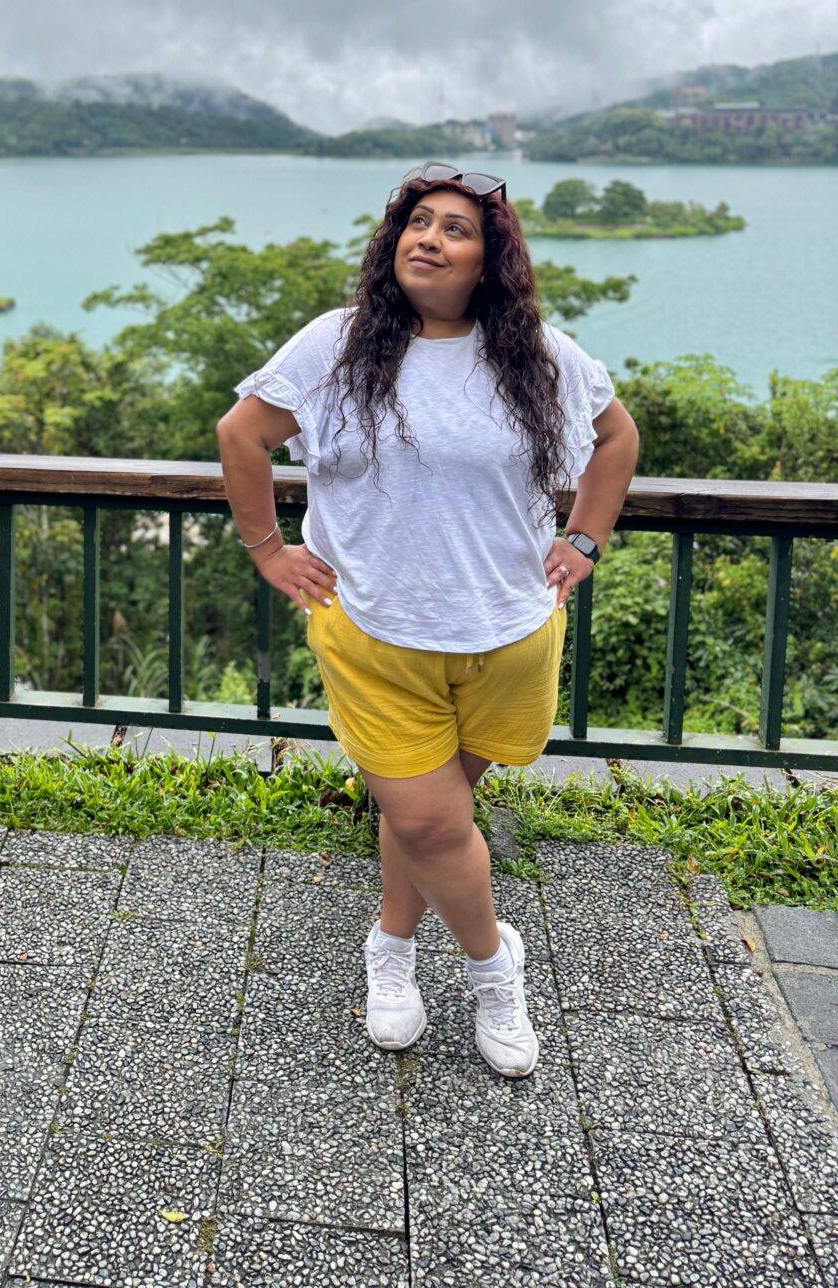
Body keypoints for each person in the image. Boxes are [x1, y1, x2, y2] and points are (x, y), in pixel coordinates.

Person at [215, 162, 640, 1077]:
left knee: (428, 817)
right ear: (392, 243)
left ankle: (392, 947)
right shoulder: (336, 345)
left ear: (491, 261)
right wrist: (267, 549)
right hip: (374, 632)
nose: (430, 239)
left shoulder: (540, 357)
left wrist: (588, 539)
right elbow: (239, 435)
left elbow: (616, 439)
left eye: (456, 229)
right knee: (436, 822)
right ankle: (496, 968)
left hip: (512, 631)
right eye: (418, 223)